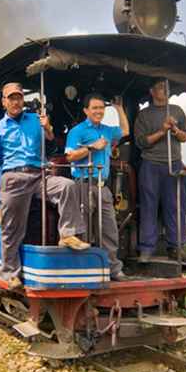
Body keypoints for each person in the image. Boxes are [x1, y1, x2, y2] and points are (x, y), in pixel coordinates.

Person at [0, 82, 90, 291]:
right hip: (13, 178)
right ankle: (11, 274)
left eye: (19, 97)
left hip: (40, 175)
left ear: (23, 100)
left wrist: (49, 129)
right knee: (10, 227)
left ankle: (68, 234)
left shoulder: (36, 120)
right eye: (11, 98)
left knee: (67, 186)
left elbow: (52, 145)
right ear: (3, 102)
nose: (16, 101)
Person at [65, 93, 129, 281]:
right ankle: (82, 270)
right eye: (95, 108)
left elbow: (125, 130)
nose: (99, 111)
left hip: (103, 186)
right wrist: (92, 147)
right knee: (83, 229)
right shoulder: (77, 131)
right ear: (86, 110)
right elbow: (69, 157)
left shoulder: (108, 131)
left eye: (101, 108)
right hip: (83, 184)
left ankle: (113, 268)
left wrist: (118, 108)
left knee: (109, 229)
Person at [134, 77, 186, 263]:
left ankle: (176, 247)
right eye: (160, 87)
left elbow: (185, 137)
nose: (165, 90)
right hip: (151, 164)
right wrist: (162, 130)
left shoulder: (177, 111)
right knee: (148, 207)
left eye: (166, 87)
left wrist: (174, 129)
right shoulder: (144, 115)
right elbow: (141, 142)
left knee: (175, 206)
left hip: (173, 163)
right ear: (152, 91)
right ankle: (146, 249)